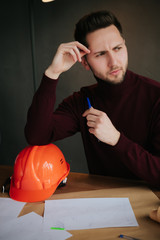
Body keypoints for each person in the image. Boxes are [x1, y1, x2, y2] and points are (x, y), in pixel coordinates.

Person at [25, 10, 160, 187]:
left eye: (118, 48)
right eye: (100, 54)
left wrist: (116, 140)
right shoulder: (82, 101)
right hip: (100, 202)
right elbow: (37, 135)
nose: (114, 62)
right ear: (85, 62)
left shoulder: (156, 96)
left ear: (125, 46)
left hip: (147, 201)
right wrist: (52, 73)